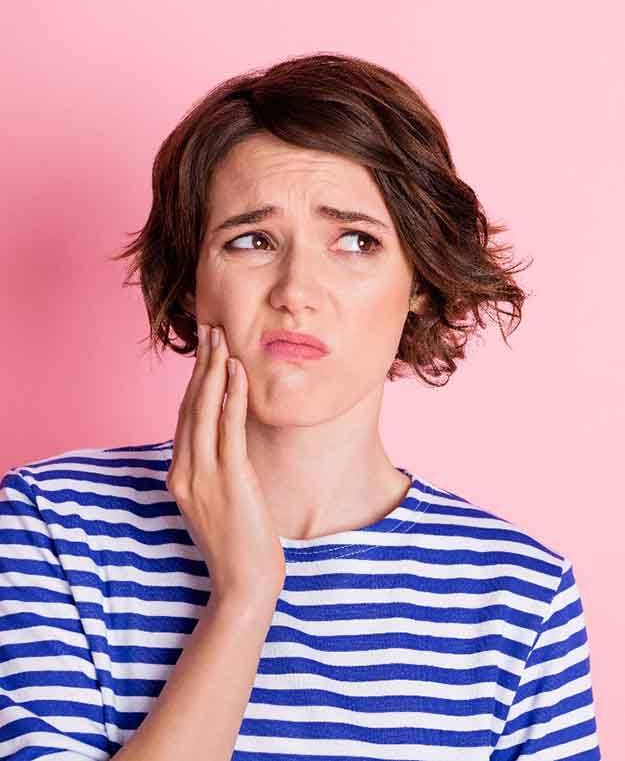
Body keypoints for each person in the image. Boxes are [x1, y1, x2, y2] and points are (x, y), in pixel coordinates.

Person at [0, 52, 601, 760]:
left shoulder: (519, 595)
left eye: (355, 241)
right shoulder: (50, 526)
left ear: (418, 278)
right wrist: (244, 597)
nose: (297, 289)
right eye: (251, 240)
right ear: (193, 279)